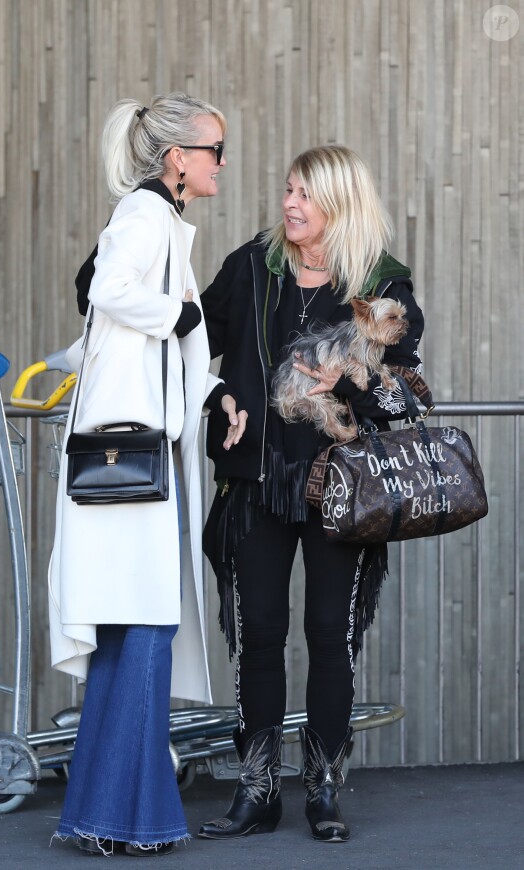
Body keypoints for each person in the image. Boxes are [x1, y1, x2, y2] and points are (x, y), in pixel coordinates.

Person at [197, 145, 424, 843]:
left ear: (339, 202)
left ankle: (323, 790)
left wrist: (350, 383)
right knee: (259, 637)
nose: (289, 203)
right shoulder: (250, 266)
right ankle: (258, 790)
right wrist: (221, 396)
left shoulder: (381, 282)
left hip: (342, 490)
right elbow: (189, 342)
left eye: (305, 193)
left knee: (329, 638)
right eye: (288, 189)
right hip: (257, 483)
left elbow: (408, 395)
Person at [48, 92, 233, 857]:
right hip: (137, 466)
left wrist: (214, 390)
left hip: (136, 459)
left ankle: (101, 816)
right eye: (214, 148)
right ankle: (129, 821)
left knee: (130, 633)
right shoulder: (145, 218)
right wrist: (186, 317)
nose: (222, 162)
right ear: (177, 160)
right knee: (147, 626)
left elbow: (119, 329)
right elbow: (108, 294)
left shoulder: (155, 222)